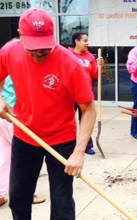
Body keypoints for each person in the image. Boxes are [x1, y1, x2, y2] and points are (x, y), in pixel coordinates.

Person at [0, 8, 96, 220]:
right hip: (25, 136)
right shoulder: (9, 52)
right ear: (20, 34)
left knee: (62, 205)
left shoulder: (69, 63)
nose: (40, 52)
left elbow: (88, 110)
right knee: (18, 197)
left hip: (62, 140)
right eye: (34, 47)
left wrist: (79, 152)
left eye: (45, 46)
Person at [0, 76, 45, 208]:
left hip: (3, 114)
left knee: (5, 156)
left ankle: (0, 194)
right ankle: (27, 195)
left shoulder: (6, 62)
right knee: (25, 158)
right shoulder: (18, 65)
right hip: (13, 116)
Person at [69, 32, 103, 155]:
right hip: (69, 94)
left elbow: (95, 74)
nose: (87, 43)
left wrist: (100, 66)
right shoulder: (68, 55)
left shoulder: (90, 57)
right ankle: (69, 144)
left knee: (85, 120)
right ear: (76, 41)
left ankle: (87, 145)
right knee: (68, 120)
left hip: (84, 94)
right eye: (85, 40)